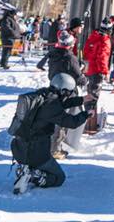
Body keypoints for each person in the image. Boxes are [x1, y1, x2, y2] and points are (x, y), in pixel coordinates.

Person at [10, 73, 89, 194]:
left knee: (40, 163)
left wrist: (81, 100)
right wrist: (86, 114)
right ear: (62, 91)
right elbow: (71, 122)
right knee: (59, 178)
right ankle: (32, 175)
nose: (67, 96)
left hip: (19, 148)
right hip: (36, 152)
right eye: (67, 93)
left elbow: (59, 105)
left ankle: (26, 168)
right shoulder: (51, 105)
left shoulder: (42, 95)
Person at [43, 31, 86, 159]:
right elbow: (78, 77)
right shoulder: (70, 58)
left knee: (53, 117)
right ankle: (55, 150)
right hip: (66, 91)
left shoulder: (53, 54)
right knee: (61, 121)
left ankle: (50, 145)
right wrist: (84, 78)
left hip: (54, 87)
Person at [82, 18, 112, 134]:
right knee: (93, 97)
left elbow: (86, 51)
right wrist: (105, 72)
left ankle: (87, 121)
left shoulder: (93, 35)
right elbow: (102, 58)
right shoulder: (105, 40)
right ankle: (89, 125)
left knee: (89, 94)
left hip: (89, 69)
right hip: (96, 71)